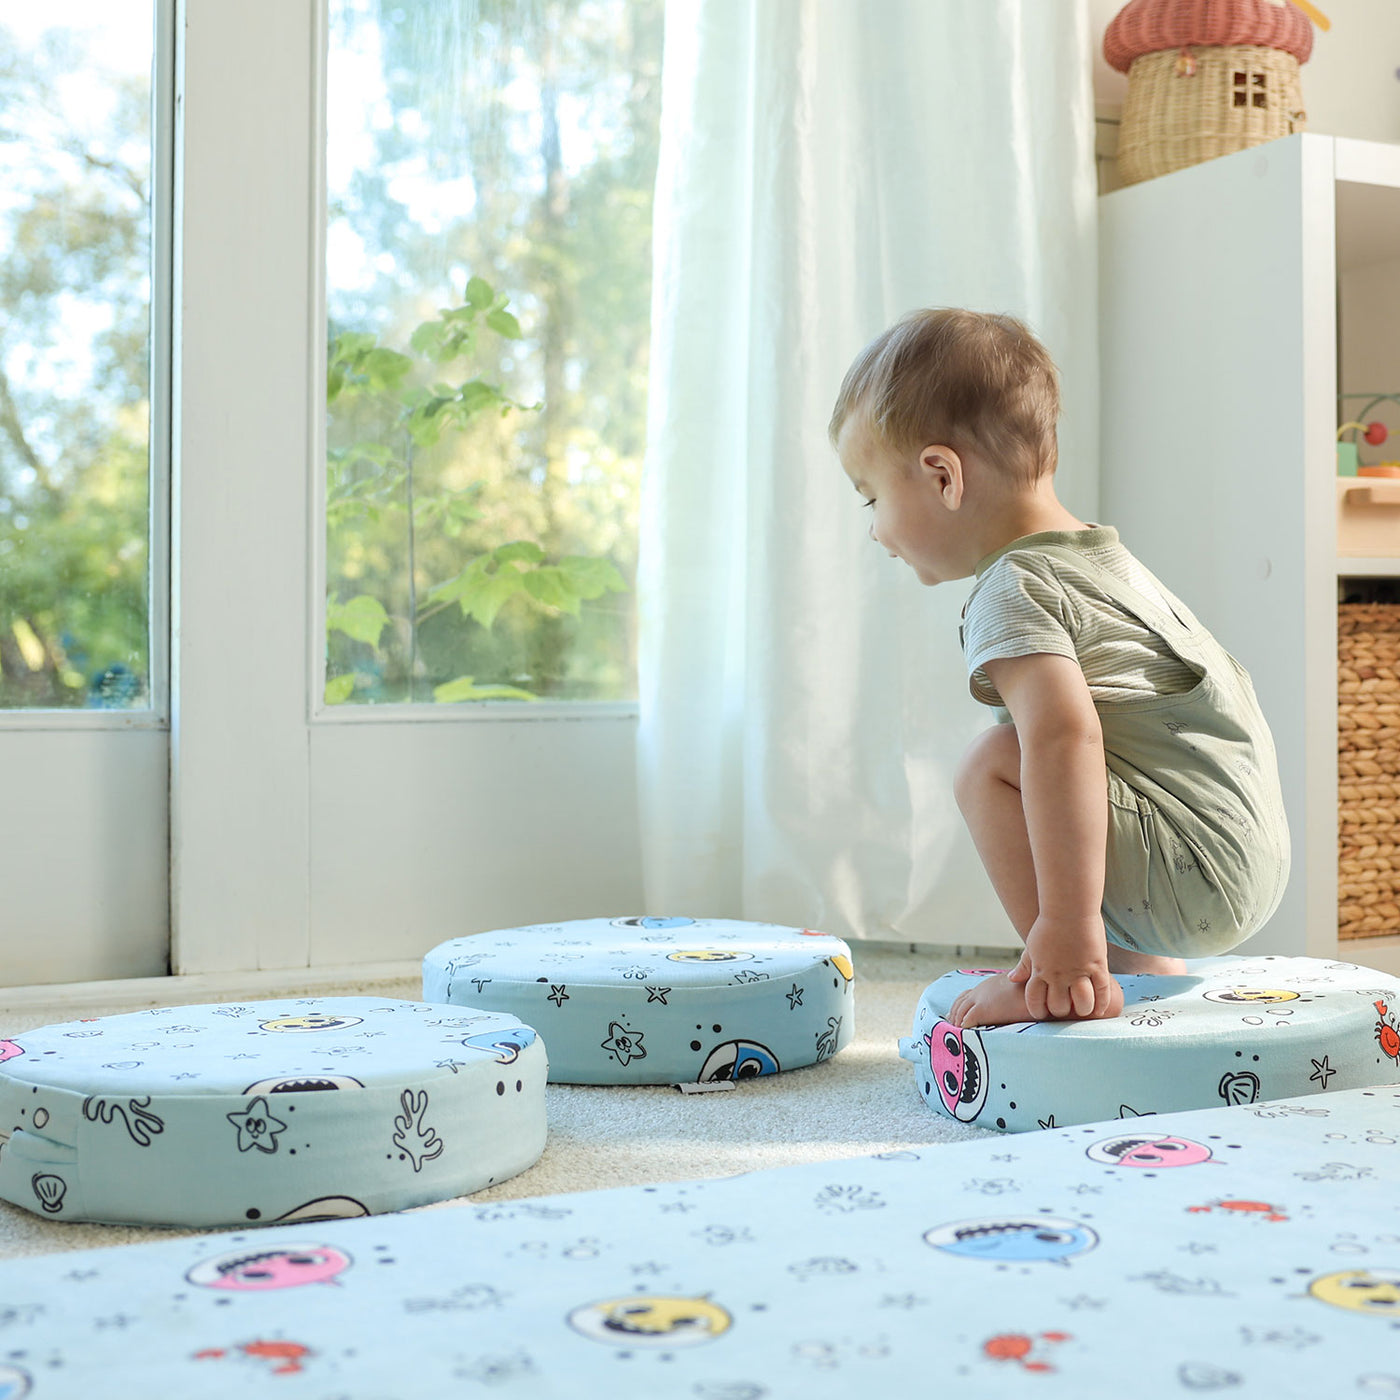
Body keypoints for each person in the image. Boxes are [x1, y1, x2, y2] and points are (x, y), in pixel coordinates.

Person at [829, 308, 1290, 1028]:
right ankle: (1139, 964)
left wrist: (1066, 928)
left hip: (1194, 874)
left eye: (872, 496)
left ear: (943, 476)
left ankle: (1061, 970)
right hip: (1247, 859)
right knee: (1039, 757)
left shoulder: (1011, 587)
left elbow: (1063, 740)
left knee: (993, 763)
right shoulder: (1102, 561)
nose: (875, 529)